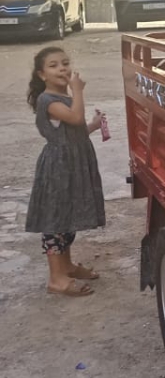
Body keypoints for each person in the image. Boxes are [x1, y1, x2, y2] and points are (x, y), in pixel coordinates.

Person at [25, 46, 106, 297]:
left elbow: (74, 130)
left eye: (65, 63)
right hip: (58, 168)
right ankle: (56, 278)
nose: (62, 68)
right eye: (53, 66)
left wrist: (93, 125)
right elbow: (74, 118)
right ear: (42, 75)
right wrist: (78, 91)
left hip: (72, 164)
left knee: (68, 216)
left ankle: (67, 266)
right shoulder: (47, 100)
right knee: (56, 219)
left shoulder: (64, 98)